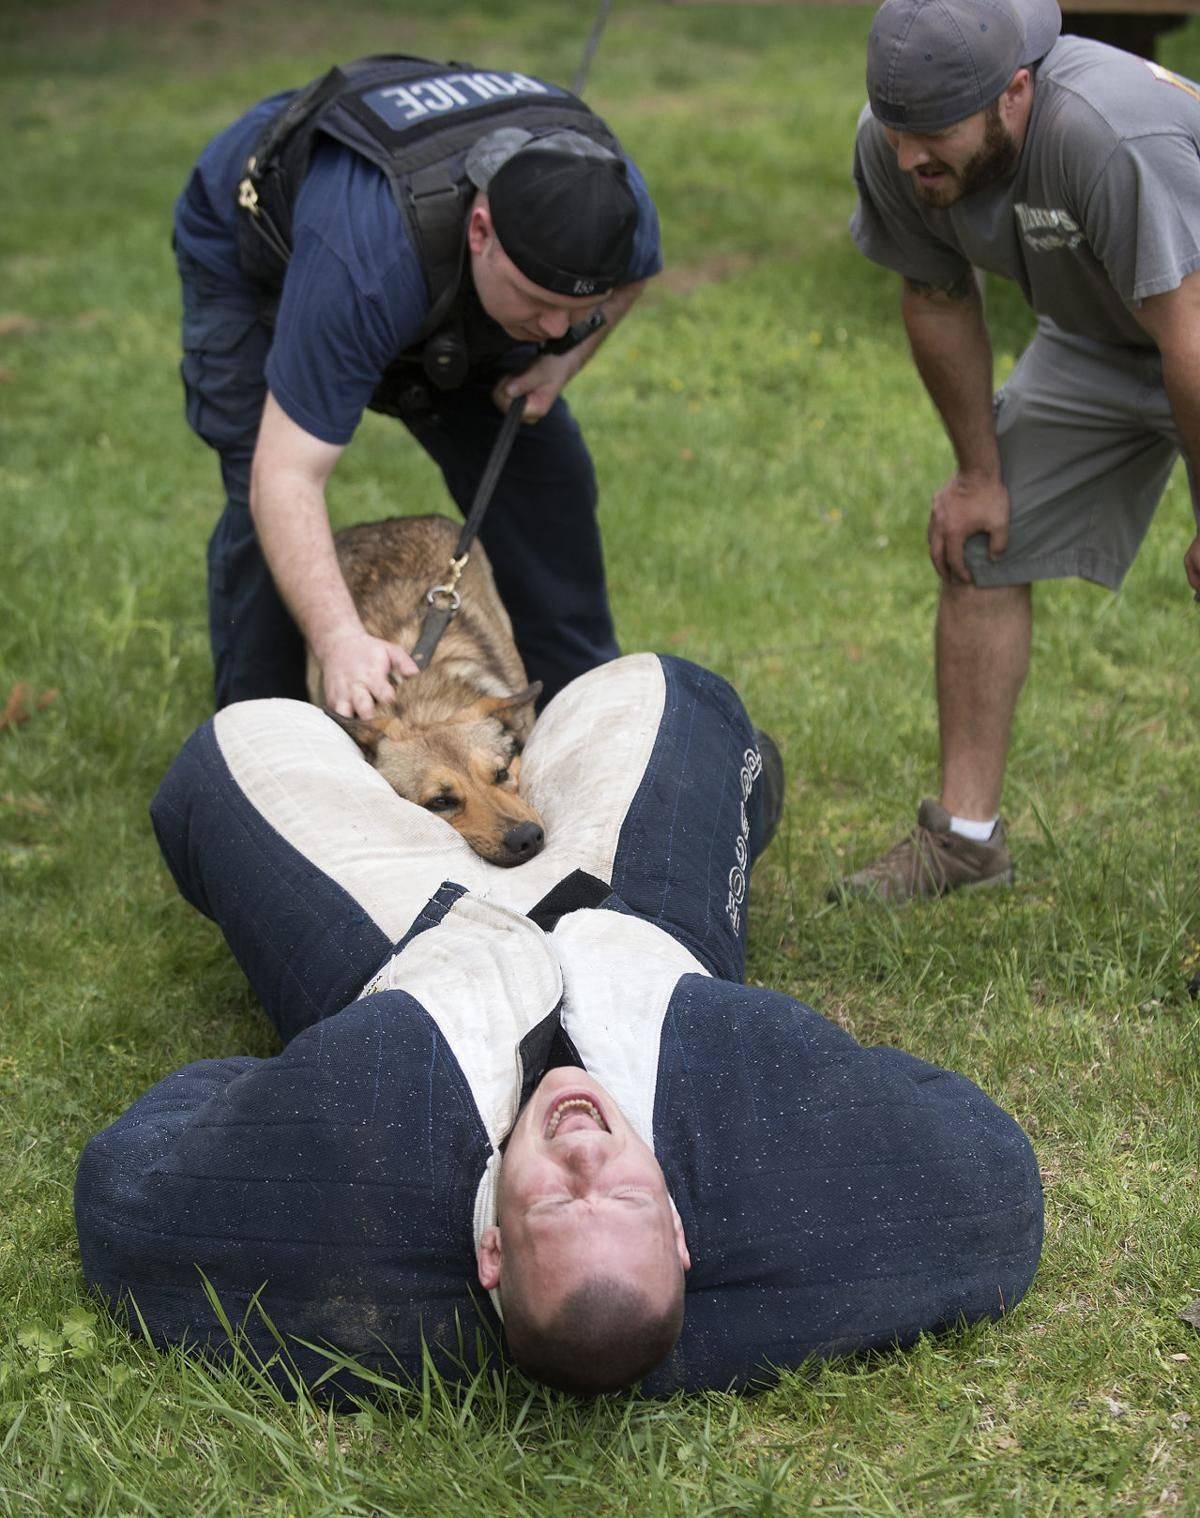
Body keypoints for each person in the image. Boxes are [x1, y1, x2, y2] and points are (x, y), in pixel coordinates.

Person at [76, 656, 1042, 1397]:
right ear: (677, 1221)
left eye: (552, 1207)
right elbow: (996, 1180)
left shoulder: (367, 1141)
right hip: (638, 921)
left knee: (248, 741)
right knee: (653, 687)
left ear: (489, 1253)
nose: (585, 1158)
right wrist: (709, 1325)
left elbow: (130, 1186)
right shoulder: (754, 1124)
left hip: (411, 941)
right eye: (621, 1203)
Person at [837, 0, 1200, 900]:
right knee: (976, 544)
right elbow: (937, 296)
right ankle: (965, 843)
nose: (914, 158)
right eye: (897, 132)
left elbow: (1191, 341)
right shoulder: (897, 149)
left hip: (1191, 328)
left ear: (1016, 93)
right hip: (1102, 342)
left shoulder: (1108, 133)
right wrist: (978, 474)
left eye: (937, 135)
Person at [173, 54, 661, 716]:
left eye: (575, 309)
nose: (554, 325)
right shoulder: (365, 262)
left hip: (445, 269)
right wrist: (341, 640)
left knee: (544, 470)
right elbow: (285, 478)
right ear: (482, 230)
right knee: (256, 484)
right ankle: (261, 738)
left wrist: (560, 363)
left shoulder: (609, 203)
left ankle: (587, 714)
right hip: (260, 249)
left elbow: (633, 279)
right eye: (537, 300)